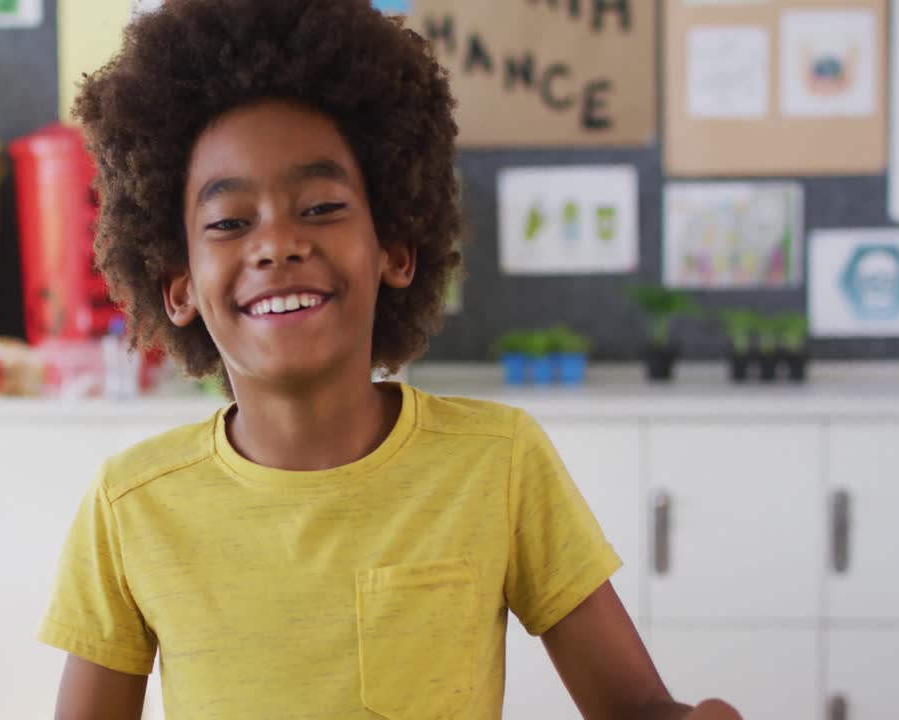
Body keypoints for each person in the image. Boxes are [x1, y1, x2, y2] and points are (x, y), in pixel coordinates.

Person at [38, 1, 741, 718]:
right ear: (178, 286)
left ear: (395, 251)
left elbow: (636, 707)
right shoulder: (131, 505)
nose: (277, 243)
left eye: (320, 208)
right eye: (228, 222)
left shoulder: (498, 463)